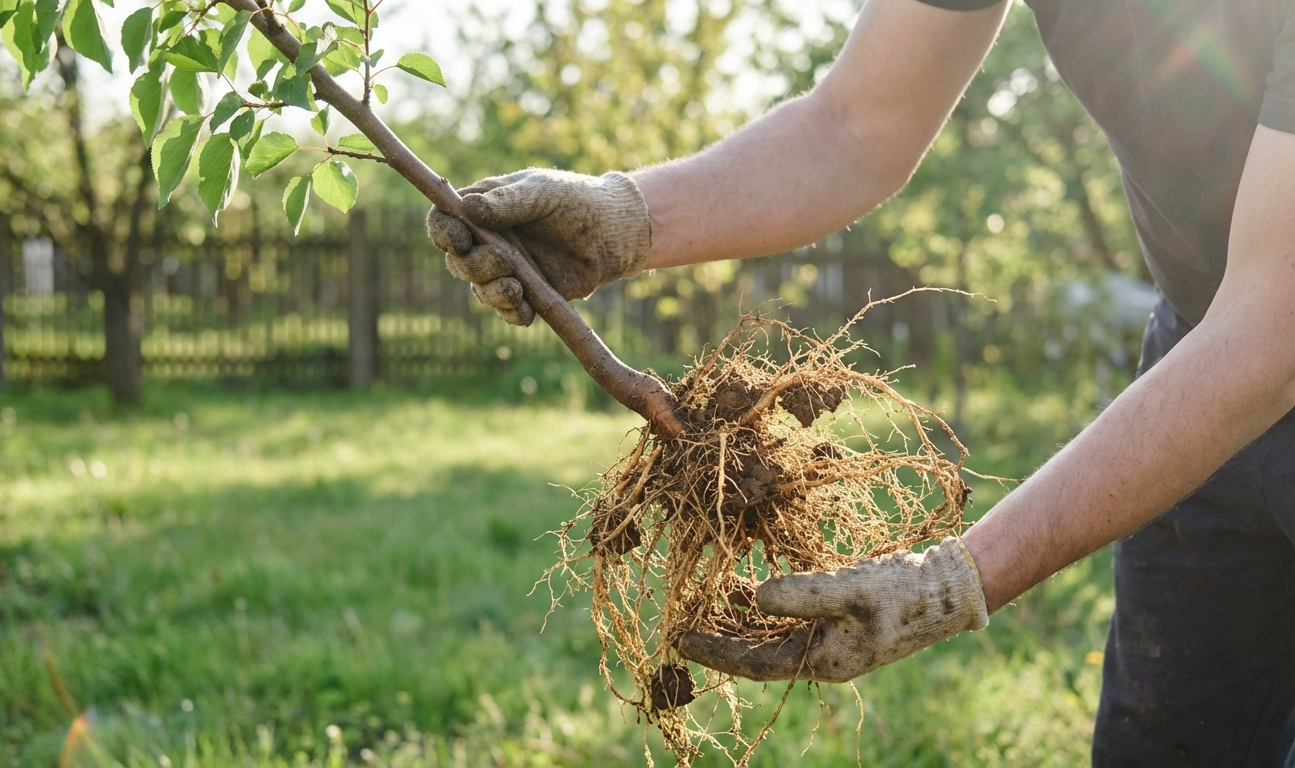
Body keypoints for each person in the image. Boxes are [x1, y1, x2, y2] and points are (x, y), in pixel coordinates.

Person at [425, 0, 1295, 764]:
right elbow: (857, 124)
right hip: (1198, 351)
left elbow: (1270, 325)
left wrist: (954, 580)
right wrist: (626, 216)